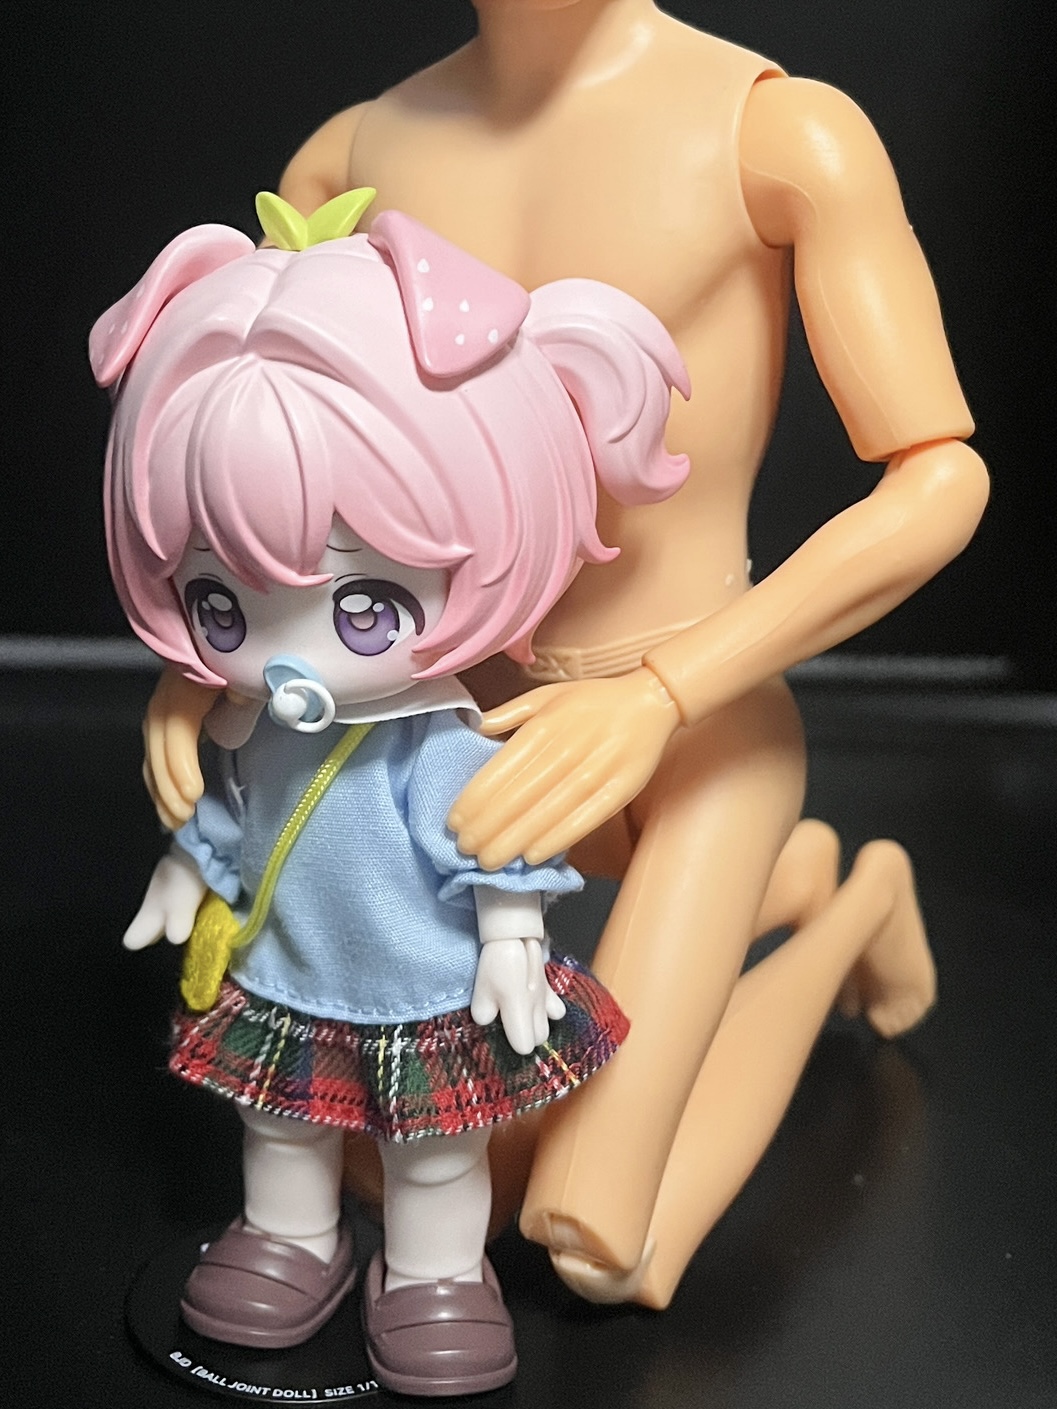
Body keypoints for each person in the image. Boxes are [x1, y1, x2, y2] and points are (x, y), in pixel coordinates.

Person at [140, 0, 990, 1312]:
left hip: (694, 733)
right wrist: (200, 667)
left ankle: (853, 903)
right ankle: (794, 879)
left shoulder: (780, 136)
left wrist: (659, 694)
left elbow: (938, 479)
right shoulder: (351, 153)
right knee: (410, 1171)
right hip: (439, 734)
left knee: (594, 1238)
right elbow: (260, 450)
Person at [92, 199, 688, 1394]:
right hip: (290, 973)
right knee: (279, 1124)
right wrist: (188, 863)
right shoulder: (254, 722)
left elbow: (489, 836)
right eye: (219, 606)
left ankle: (431, 1272)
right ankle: (289, 1237)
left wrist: (512, 936)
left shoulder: (433, 738)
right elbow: (240, 808)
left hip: (422, 988)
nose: (283, 653)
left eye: (365, 606)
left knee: (434, 1152)